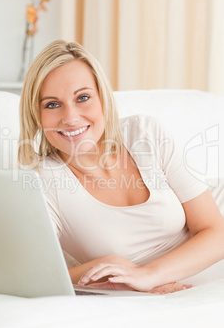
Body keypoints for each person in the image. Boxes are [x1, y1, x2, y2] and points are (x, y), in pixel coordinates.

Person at [18, 39, 224, 294]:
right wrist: (106, 266)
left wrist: (147, 275)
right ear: (36, 115)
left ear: (103, 98)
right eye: (52, 104)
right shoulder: (41, 181)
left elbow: (216, 233)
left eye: (83, 97)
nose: (70, 118)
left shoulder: (145, 133)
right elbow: (36, 277)